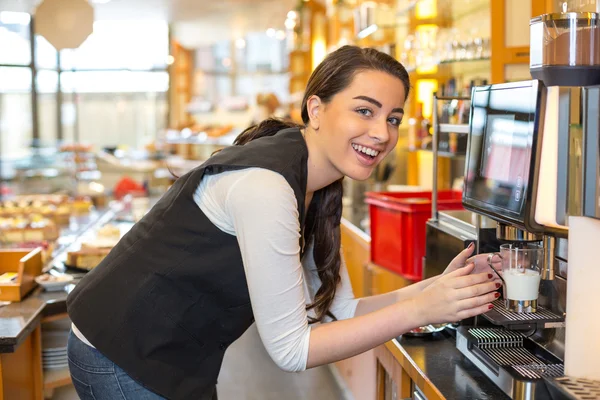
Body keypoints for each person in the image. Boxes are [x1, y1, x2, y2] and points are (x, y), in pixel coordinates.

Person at [66, 45, 501, 400]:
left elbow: (340, 312)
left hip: (169, 353)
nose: (383, 133)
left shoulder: (315, 183)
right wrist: (421, 310)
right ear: (316, 109)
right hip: (122, 352)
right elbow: (292, 350)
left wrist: (437, 290)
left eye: (392, 119)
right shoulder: (268, 186)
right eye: (364, 111)